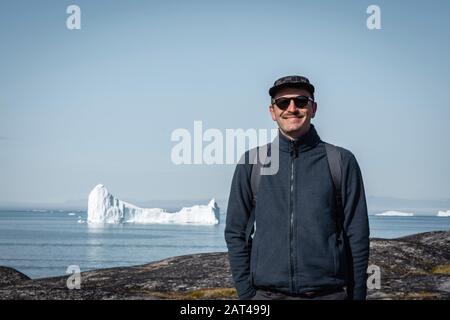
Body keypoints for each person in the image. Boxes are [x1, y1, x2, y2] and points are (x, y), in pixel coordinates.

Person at [224, 75, 370, 300]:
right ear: (272, 112)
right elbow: (236, 233)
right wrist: (247, 295)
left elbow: (357, 235)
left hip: (328, 295)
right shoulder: (252, 163)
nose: (292, 108)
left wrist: (357, 296)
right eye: (283, 103)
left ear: (313, 108)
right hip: (266, 297)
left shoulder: (340, 161)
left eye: (301, 101)